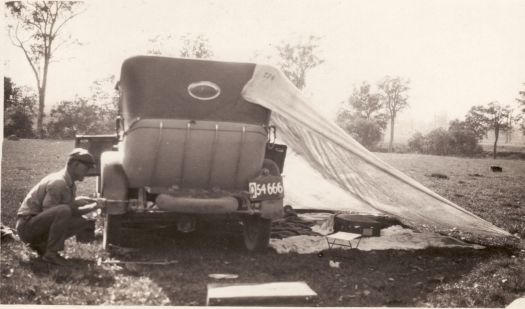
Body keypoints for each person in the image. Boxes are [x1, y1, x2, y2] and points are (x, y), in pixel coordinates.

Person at [16, 148, 104, 266]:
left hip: (35, 223)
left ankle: (42, 245)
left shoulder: (69, 183)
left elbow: (65, 209)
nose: (87, 171)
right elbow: (56, 212)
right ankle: (51, 254)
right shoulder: (58, 182)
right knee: (64, 210)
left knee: (82, 222)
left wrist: (85, 202)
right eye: (86, 167)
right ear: (74, 164)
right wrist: (94, 206)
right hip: (26, 227)